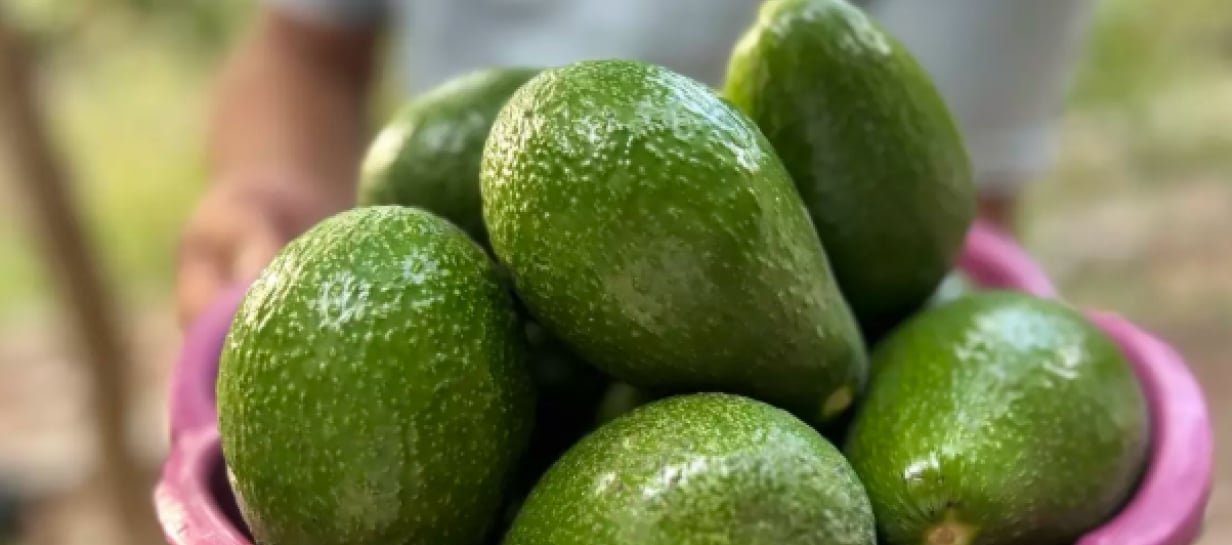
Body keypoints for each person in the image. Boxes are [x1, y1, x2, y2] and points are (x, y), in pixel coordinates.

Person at [176, 0, 1098, 328]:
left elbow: (929, 219)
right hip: (440, 294)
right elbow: (302, 50)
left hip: (786, 304)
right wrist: (277, 191)